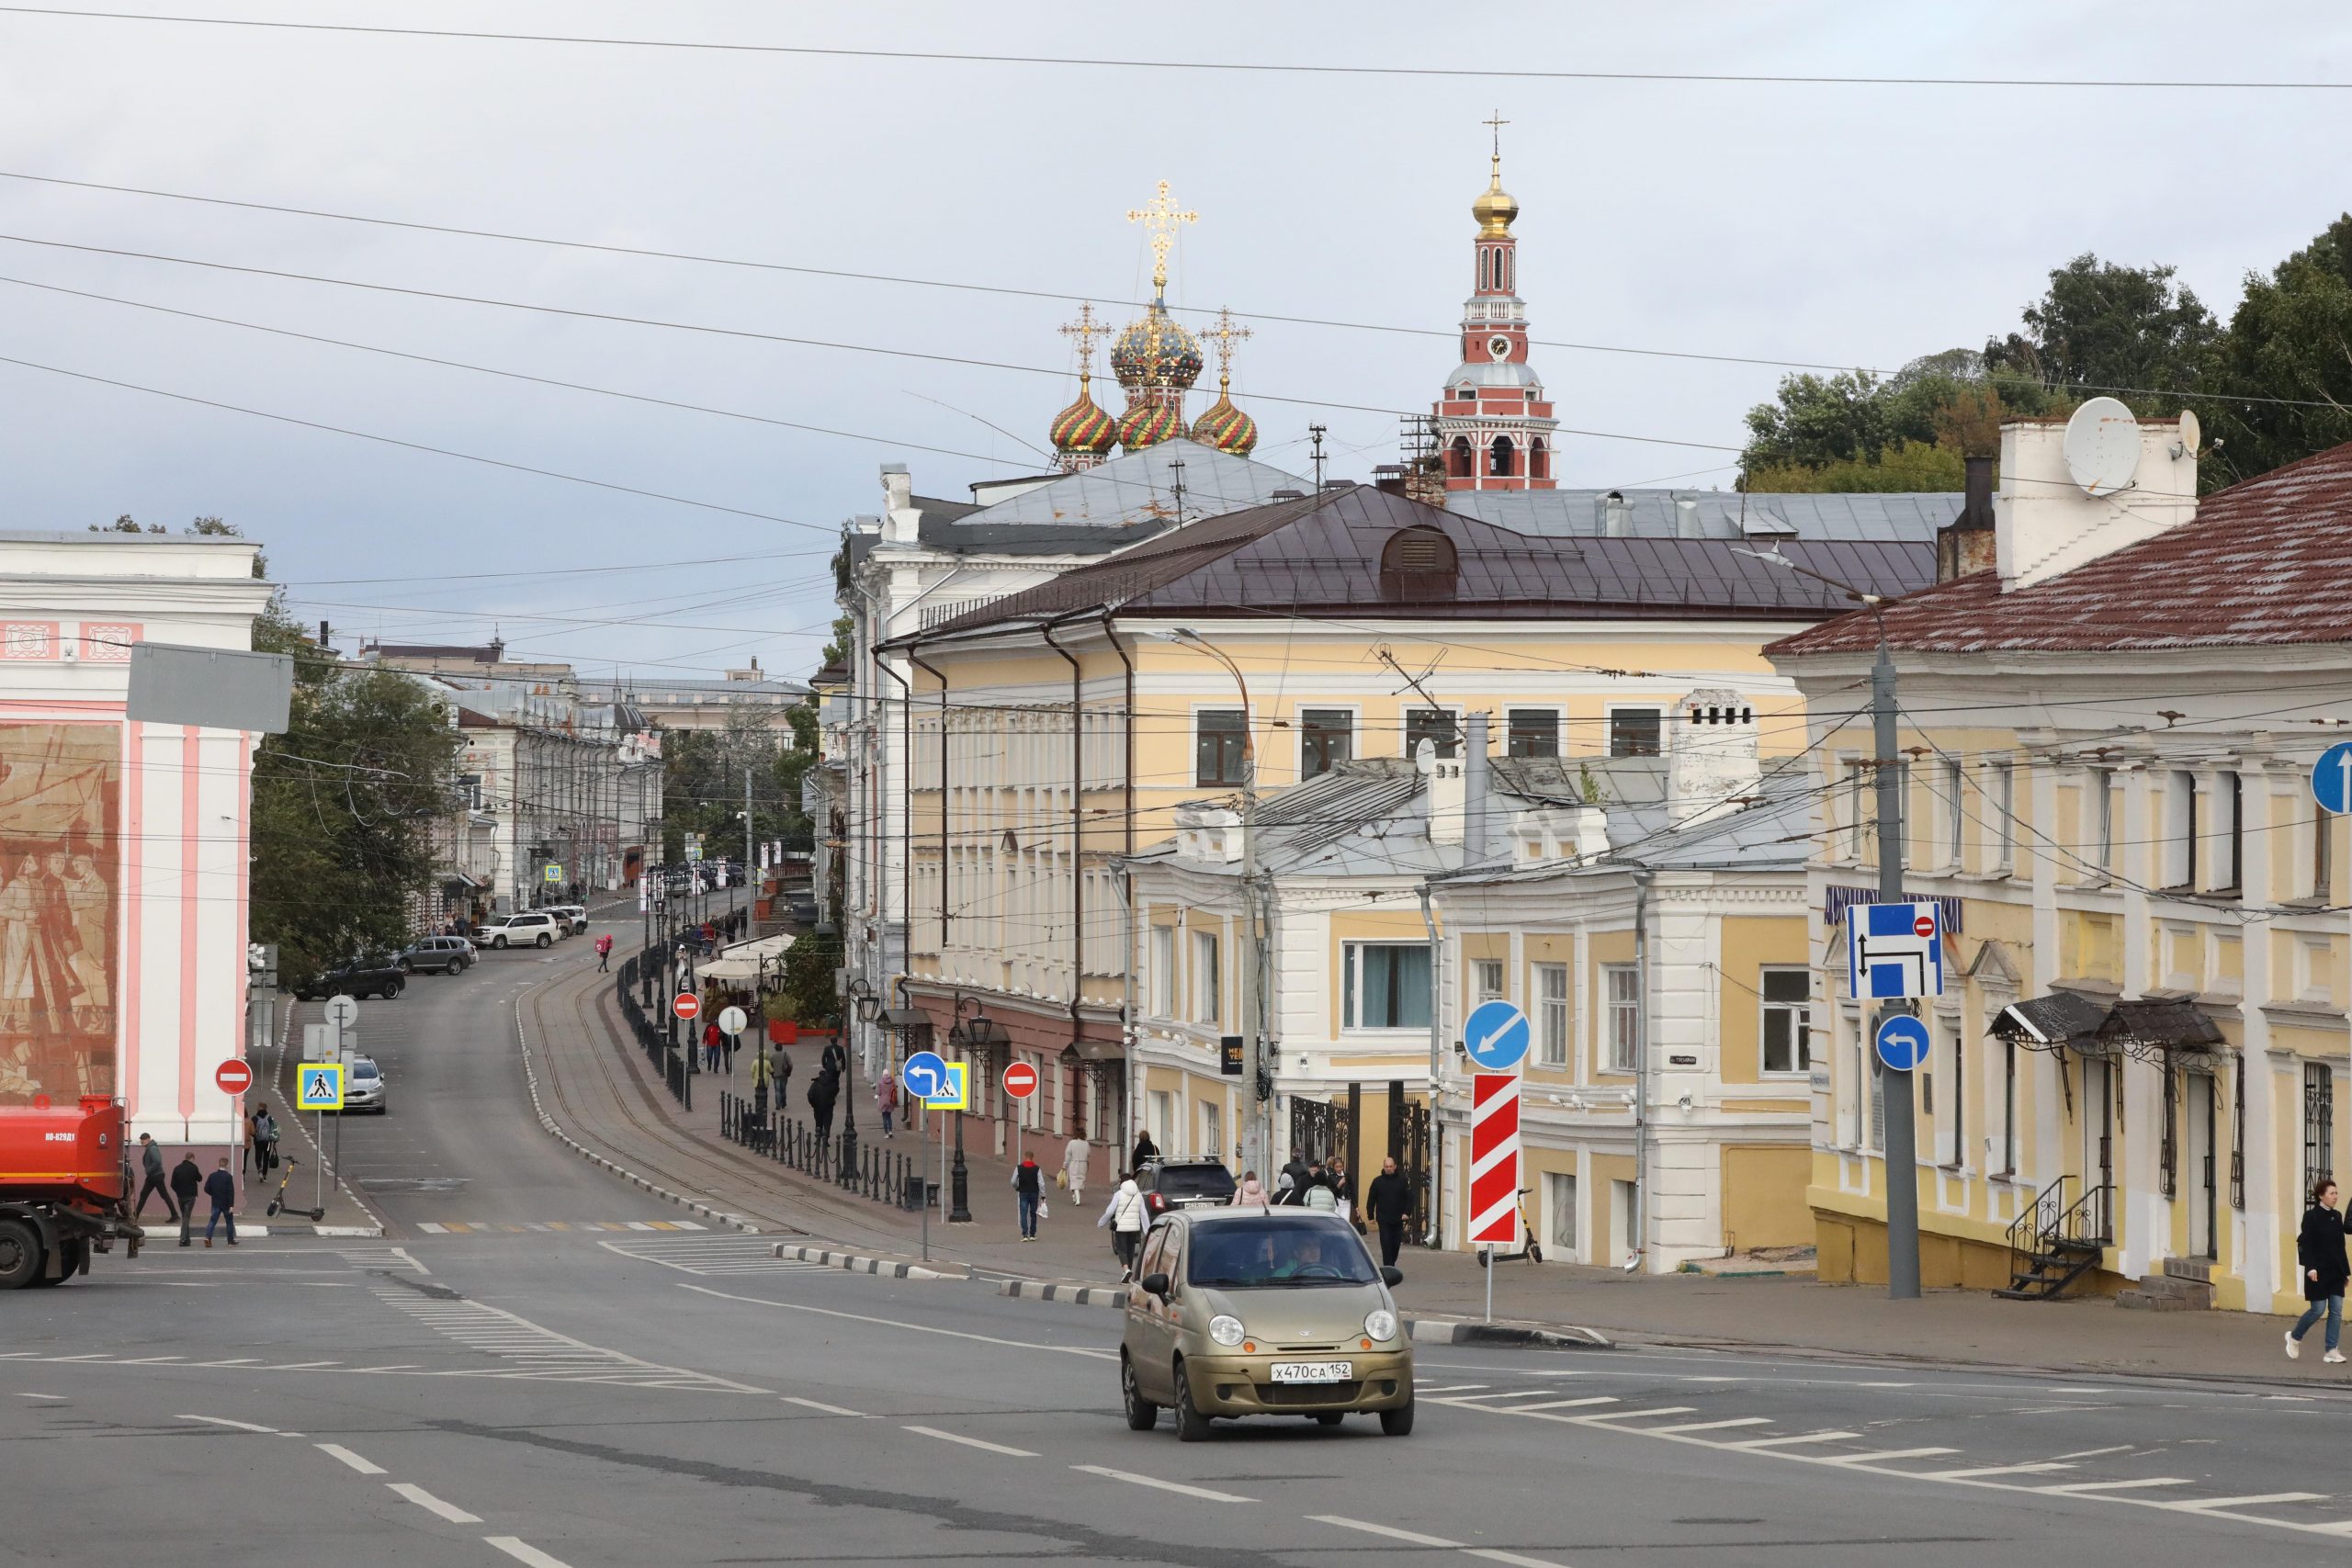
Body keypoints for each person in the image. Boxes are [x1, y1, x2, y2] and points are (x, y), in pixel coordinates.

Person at [2288, 1177, 2347, 1363]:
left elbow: (2340, 1245)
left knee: (2336, 1310)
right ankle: (2294, 1337)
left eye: (2336, 1193)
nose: (2335, 1197)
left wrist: (2344, 1271)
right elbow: (2306, 1243)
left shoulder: (2337, 1216)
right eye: (2332, 1193)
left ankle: (2331, 1350)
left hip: (2335, 1272)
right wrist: (2310, 1268)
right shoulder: (2311, 1216)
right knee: (2318, 1309)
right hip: (2318, 1272)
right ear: (2321, 1196)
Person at [1363, 1156, 1412, 1267]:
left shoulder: (1402, 1181)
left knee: (1395, 1245)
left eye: (1391, 1166)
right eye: (1386, 1166)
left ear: (1395, 1167)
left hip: (1398, 1218)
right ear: (1383, 1167)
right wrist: (1370, 1215)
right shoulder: (1377, 1182)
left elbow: (1409, 1198)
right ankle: (1388, 1267)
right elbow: (1371, 1199)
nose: (1389, 1168)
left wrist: (1407, 1213)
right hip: (1383, 1218)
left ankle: (1391, 1263)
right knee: (1386, 1244)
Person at [1100, 1172, 1146, 1280]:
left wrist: (1101, 1222)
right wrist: (1147, 1229)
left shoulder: (1119, 1194)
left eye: (1120, 1181)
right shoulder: (1138, 1194)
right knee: (1130, 1250)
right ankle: (1128, 1272)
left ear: (1122, 1182)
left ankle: (1126, 1270)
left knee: (1121, 1249)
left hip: (1121, 1227)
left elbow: (1110, 1211)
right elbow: (1143, 1213)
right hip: (1134, 1227)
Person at [133, 1133, 177, 1224]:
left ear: (149, 1139)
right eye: (141, 1139)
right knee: (144, 1194)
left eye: (144, 1139)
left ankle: (175, 1215)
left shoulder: (152, 1148)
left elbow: (157, 1161)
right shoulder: (150, 1148)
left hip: (156, 1176)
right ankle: (135, 1216)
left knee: (162, 1195)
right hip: (153, 1176)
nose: (142, 1141)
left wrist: (149, 1170)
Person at [169, 1150, 203, 1247]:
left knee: (185, 1216)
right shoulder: (193, 1168)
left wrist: (178, 1192)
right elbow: (200, 1179)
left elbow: (172, 1184)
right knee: (186, 1217)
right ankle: (183, 1239)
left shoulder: (177, 1168)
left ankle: (187, 1240)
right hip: (191, 1197)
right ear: (192, 1158)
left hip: (180, 1197)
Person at [201, 1156, 238, 1247]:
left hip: (216, 1202)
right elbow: (231, 1192)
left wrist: (213, 1194)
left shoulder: (212, 1175)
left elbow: (206, 1189)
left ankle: (208, 1238)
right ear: (227, 1165)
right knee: (229, 1222)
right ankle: (230, 1241)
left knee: (213, 1221)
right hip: (226, 1203)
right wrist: (231, 1205)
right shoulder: (228, 1177)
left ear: (218, 1164)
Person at [1012, 1152, 1043, 1241]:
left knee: (1023, 1213)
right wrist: (1043, 1194)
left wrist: (1017, 1187)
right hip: (1034, 1192)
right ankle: (1032, 1234)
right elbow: (1041, 1183)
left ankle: (1025, 1234)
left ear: (1025, 1157)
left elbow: (1013, 1181)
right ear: (1032, 1158)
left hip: (1023, 1192)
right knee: (1033, 1213)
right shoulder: (1037, 1169)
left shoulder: (1019, 1168)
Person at [1061, 1132, 1090, 1205]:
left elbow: (1068, 1155)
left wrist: (1065, 1166)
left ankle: (1078, 1200)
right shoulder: (1086, 1143)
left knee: (1074, 1180)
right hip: (1083, 1164)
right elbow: (1089, 1154)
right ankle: (1075, 1196)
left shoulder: (1072, 1143)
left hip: (1074, 1163)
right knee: (1080, 1180)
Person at [251, 1103, 277, 1176]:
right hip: (268, 1142)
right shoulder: (270, 1118)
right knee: (266, 1157)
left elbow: (252, 1130)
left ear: (259, 1108)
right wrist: (274, 1142)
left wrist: (255, 1136)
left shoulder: (254, 1118)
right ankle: (265, 1175)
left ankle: (259, 1169)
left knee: (258, 1157)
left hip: (258, 1141)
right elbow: (274, 1130)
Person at [875, 1067, 899, 1136]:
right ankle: (890, 1131)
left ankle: (886, 1133)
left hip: (883, 1102)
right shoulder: (892, 1081)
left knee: (884, 1117)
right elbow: (895, 1090)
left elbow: (878, 1093)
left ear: (883, 1074)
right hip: (890, 1101)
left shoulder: (880, 1082)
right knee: (889, 1117)